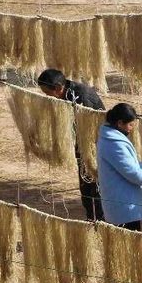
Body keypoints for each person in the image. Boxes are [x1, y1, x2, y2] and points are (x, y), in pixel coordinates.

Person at [37, 68, 106, 221]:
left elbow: (89, 127)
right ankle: (91, 217)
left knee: (95, 185)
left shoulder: (82, 96)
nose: (47, 97)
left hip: (95, 146)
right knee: (86, 185)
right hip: (81, 145)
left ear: (58, 88)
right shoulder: (65, 93)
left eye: (47, 93)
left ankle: (101, 221)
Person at [95, 103, 142, 230]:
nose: (131, 128)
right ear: (119, 123)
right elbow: (133, 173)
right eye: (130, 124)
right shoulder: (114, 144)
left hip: (123, 203)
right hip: (123, 206)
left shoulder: (111, 137)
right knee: (129, 242)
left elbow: (131, 164)